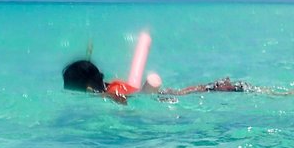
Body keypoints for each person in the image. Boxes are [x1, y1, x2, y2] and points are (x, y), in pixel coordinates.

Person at [62, 58, 254, 103]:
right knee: (187, 91)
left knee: (185, 93)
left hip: (152, 97)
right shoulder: (112, 84)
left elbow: (118, 98)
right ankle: (219, 86)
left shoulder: (110, 91)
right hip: (154, 94)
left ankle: (220, 87)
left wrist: (97, 97)